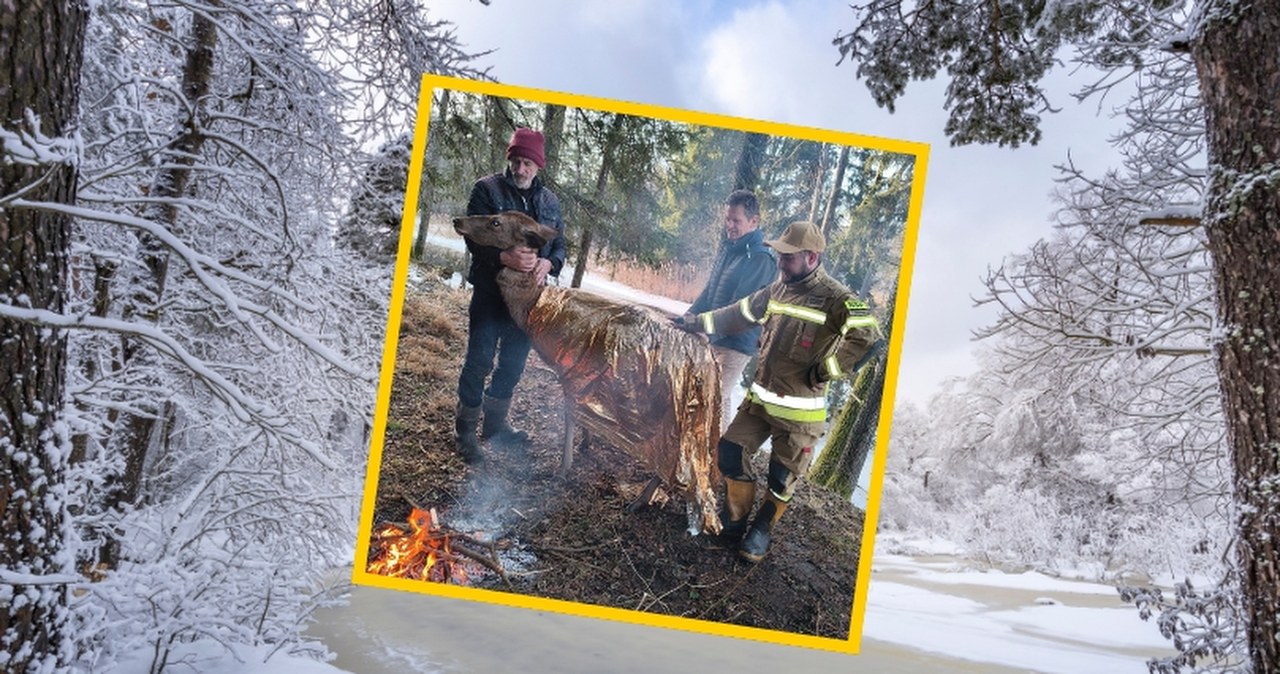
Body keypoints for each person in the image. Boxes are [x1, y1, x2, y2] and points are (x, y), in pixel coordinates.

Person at [676, 220, 882, 563]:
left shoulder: (836, 297)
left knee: (781, 477)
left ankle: (761, 530)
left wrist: (826, 370)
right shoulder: (776, 290)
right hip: (759, 403)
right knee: (729, 450)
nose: (781, 263)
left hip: (800, 416)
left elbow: (868, 337)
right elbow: (736, 314)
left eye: (789, 257)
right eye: (780, 255)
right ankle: (736, 519)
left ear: (812, 258)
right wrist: (695, 322)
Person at [455, 127, 567, 463]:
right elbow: (473, 239)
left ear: (538, 166)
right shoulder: (487, 190)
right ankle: (465, 435)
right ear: (510, 160)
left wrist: (549, 262)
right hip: (491, 295)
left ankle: (495, 427)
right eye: (516, 161)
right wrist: (503, 258)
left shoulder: (549, 202)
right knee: (479, 362)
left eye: (527, 164)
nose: (520, 169)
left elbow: (559, 244)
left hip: (526, 301)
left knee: (513, 365)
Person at [684, 190, 777, 431]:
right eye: (728, 219)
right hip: (715, 336)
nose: (730, 225)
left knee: (713, 400)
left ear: (754, 221)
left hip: (736, 344)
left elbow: (740, 310)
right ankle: (715, 457)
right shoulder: (730, 250)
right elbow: (709, 293)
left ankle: (717, 459)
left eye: (736, 220)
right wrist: (688, 318)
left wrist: (709, 333)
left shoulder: (760, 258)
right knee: (714, 400)